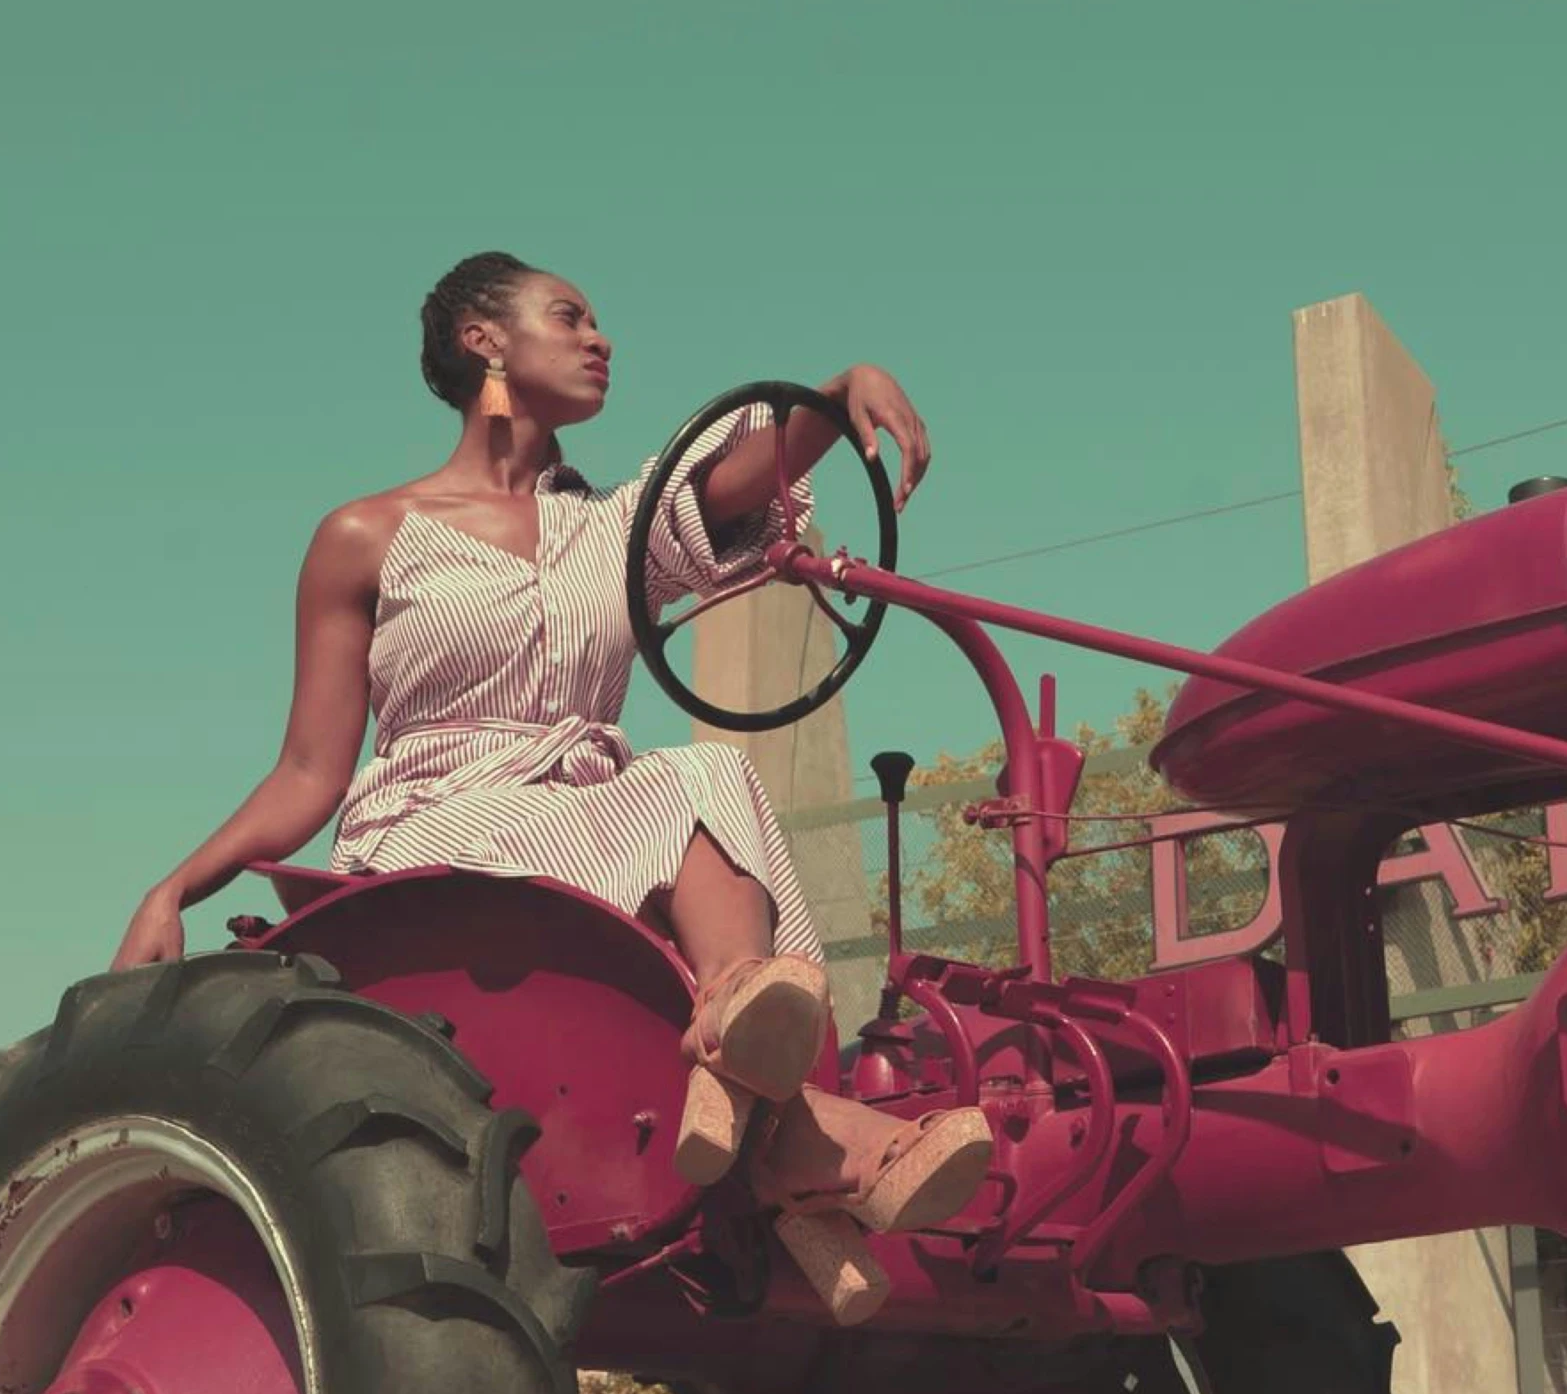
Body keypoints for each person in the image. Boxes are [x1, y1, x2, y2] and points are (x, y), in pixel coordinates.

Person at [112, 252, 991, 1323]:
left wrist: (830, 393)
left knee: (710, 768)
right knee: (683, 786)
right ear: (484, 339)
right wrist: (173, 889)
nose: (600, 338)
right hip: (438, 831)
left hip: (586, 812)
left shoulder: (611, 532)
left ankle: (738, 1048)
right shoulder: (365, 538)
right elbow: (309, 773)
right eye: (569, 317)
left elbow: (736, 477)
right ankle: (802, 1141)